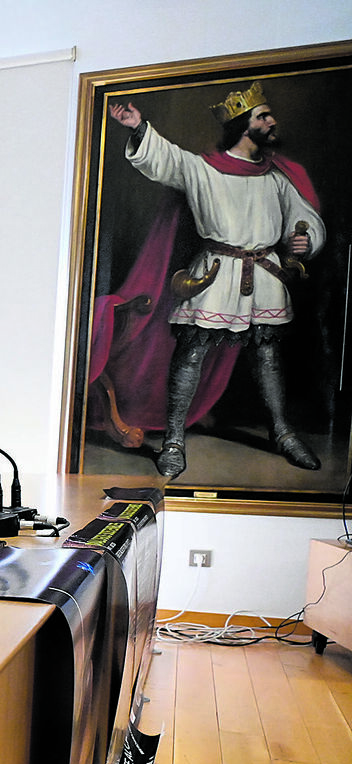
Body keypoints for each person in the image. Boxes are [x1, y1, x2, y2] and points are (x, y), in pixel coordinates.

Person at [104, 82, 325, 478]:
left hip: (265, 275)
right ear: (244, 125)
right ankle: (173, 441)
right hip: (215, 274)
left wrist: (305, 238)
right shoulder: (202, 168)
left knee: (268, 356)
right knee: (191, 353)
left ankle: (282, 432)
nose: (271, 121)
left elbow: (303, 216)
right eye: (263, 116)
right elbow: (165, 159)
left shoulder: (277, 177)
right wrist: (139, 128)